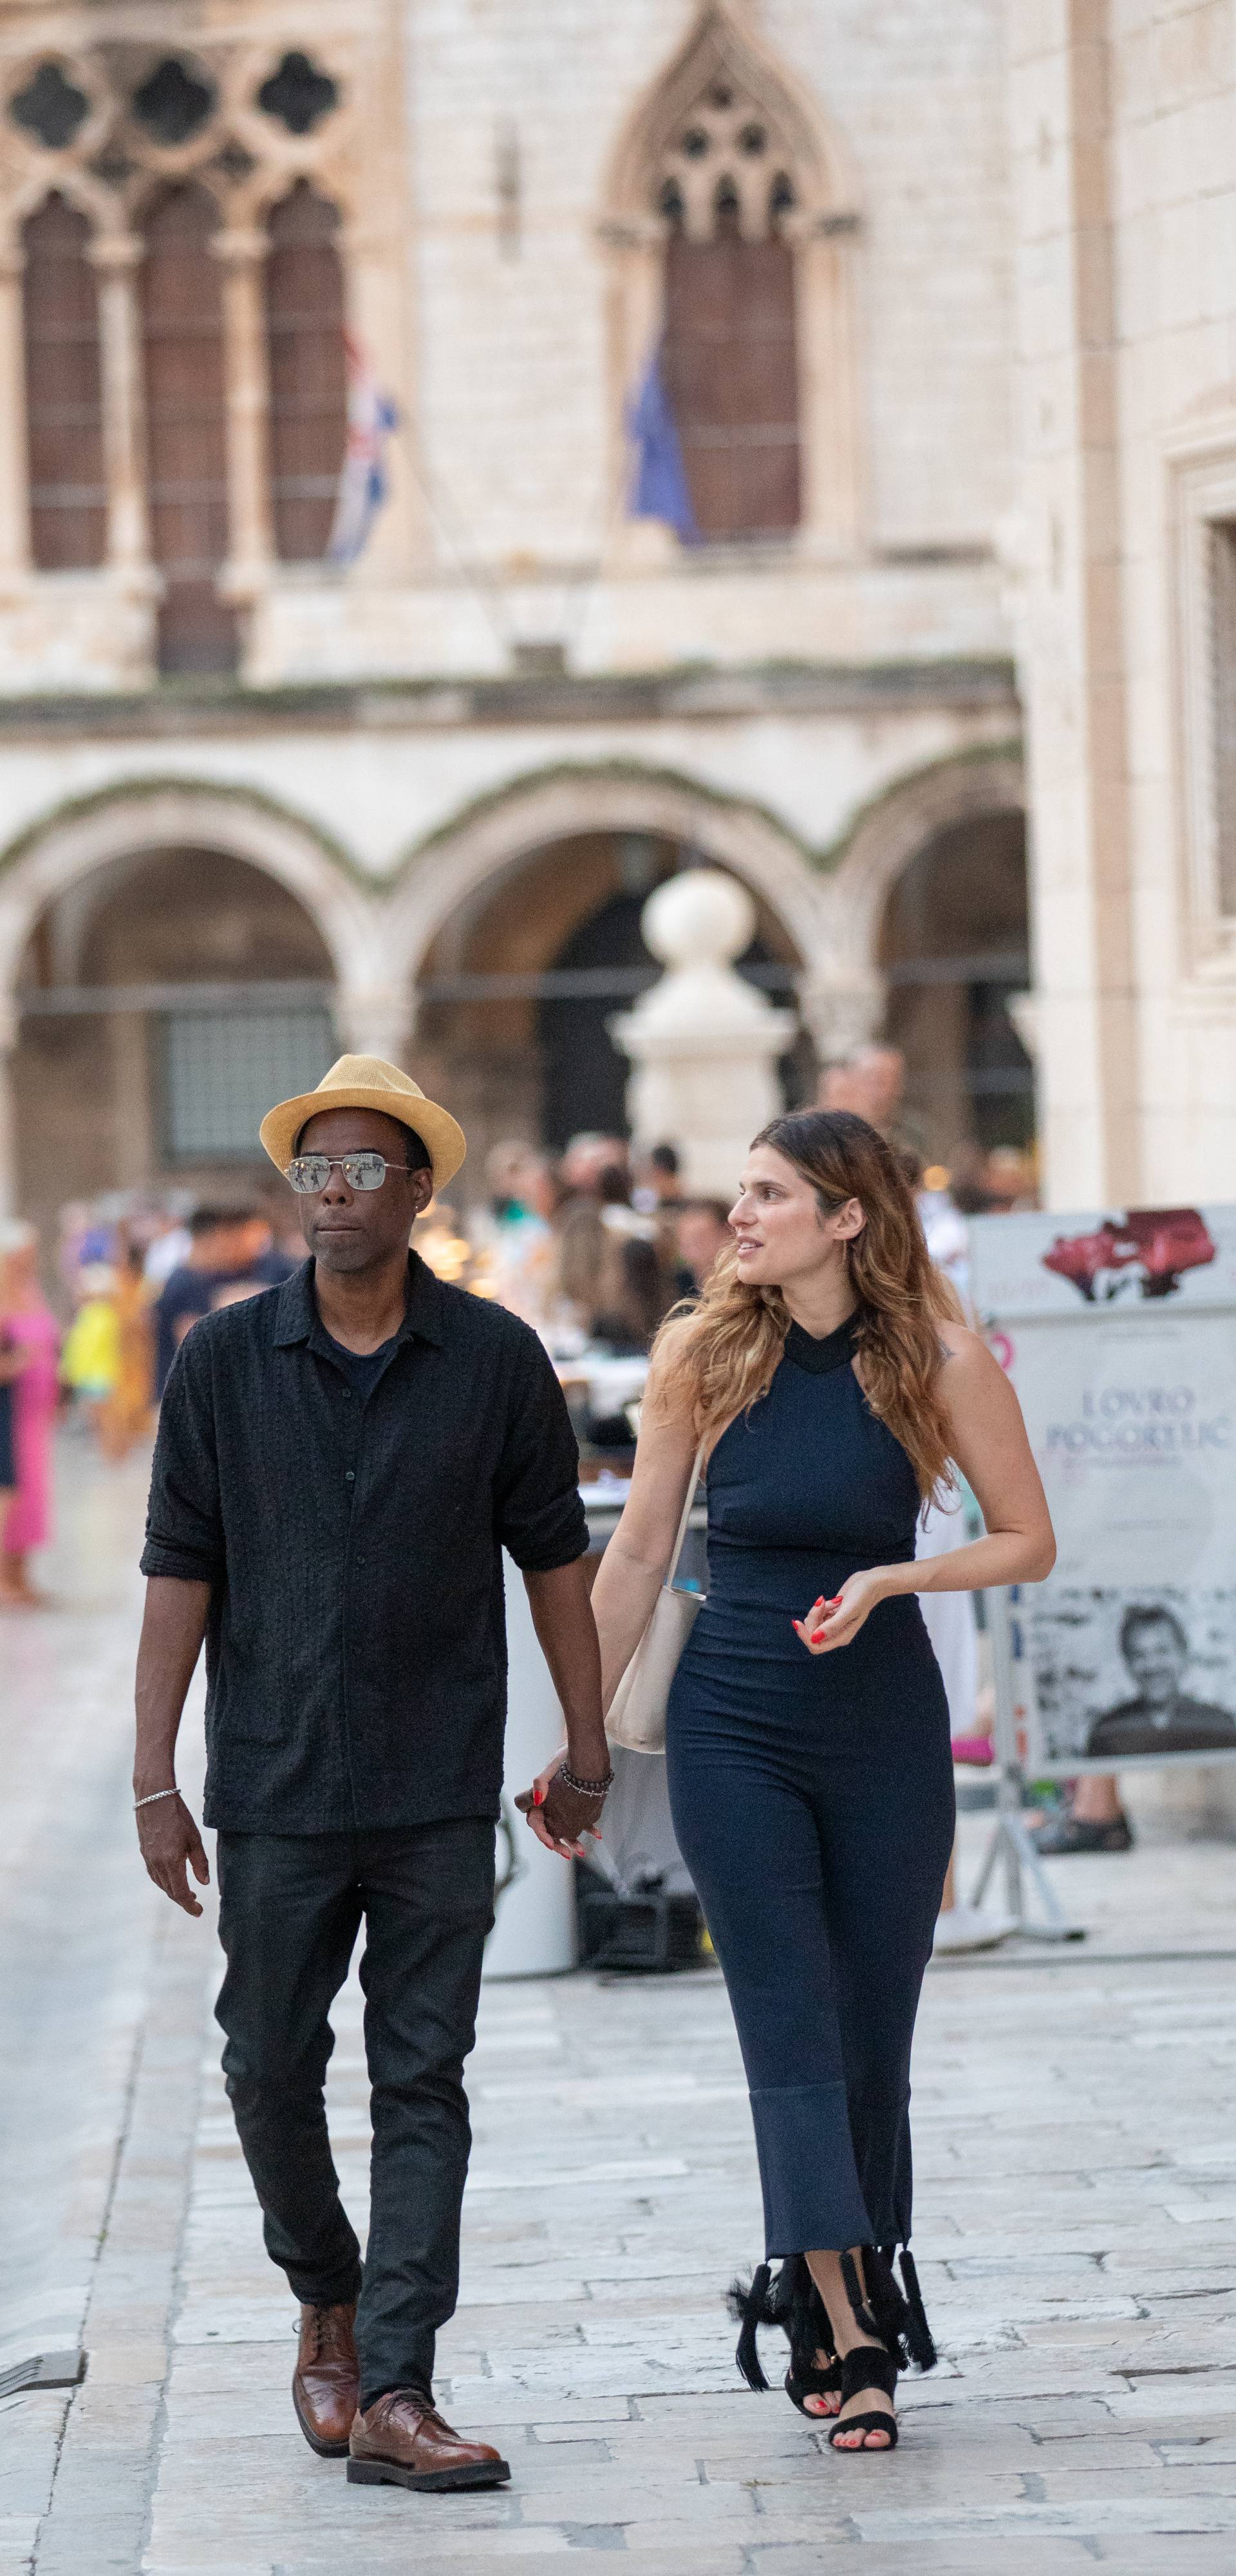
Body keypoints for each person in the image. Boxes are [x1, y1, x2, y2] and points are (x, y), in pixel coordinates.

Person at [525, 1109, 1053, 2453]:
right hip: (735, 1723)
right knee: (789, 2016)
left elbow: (1028, 1539)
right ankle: (847, 2316)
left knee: (874, 2029)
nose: (737, 1214)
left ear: (847, 1216)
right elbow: (639, 1555)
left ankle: (840, 2269)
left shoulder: (938, 1357)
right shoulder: (706, 1352)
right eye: (742, 1190)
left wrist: (897, 1576)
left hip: (883, 1720)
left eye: (769, 1193)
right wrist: (581, 1741)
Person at [133, 1054, 611, 2499]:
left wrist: (589, 1749)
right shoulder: (222, 1358)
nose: (333, 1196)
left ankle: (397, 2380)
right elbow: (178, 1571)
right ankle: (324, 2291)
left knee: (425, 2077)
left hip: (432, 1784)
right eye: (313, 1173)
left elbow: (559, 1567)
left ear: (417, 1190)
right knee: (267, 2065)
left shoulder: (497, 1359)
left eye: (362, 1171)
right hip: (272, 1786)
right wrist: (155, 1778)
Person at [1085, 1606, 1236, 1760]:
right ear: (1128, 1664)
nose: (1152, 1666)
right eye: (1139, 1655)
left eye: (1162, 1651)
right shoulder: (1108, 1733)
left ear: (1183, 1655)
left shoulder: (1219, 1727)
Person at [0, 1224, 61, 1607]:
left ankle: (22, 1576)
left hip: (37, 1413)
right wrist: (18, 1363)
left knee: (34, 1496)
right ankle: (5, 1579)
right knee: (12, 1493)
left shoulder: (32, 1292)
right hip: (10, 1412)